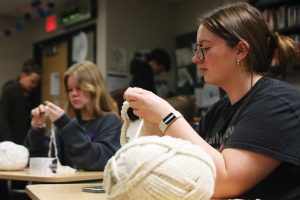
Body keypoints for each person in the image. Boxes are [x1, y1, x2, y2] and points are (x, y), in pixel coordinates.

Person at [124, 2, 300, 199]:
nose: (195, 59)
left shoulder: (277, 103)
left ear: (240, 50)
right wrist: (150, 118)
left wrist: (167, 116)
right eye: (196, 49)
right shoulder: (218, 110)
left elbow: (223, 182)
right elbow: (183, 169)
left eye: (204, 48)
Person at [25, 61, 121, 171]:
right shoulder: (67, 124)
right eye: (70, 89)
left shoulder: (110, 121)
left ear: (94, 89)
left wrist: (65, 124)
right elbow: (45, 161)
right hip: (65, 186)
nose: (73, 94)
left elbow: (97, 161)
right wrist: (37, 129)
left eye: (79, 88)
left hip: (94, 186)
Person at [0, 59, 41, 144]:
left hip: (25, 139)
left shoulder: (33, 94)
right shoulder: (10, 90)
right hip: (9, 139)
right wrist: (8, 142)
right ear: (23, 75)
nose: (34, 85)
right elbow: (2, 118)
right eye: (32, 81)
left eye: (36, 83)